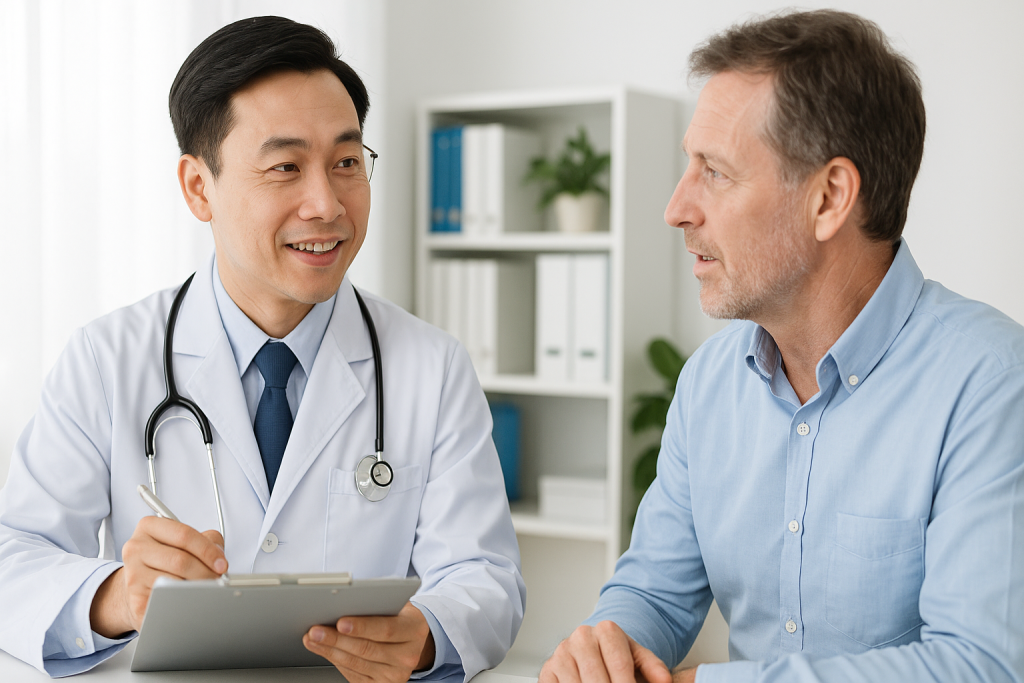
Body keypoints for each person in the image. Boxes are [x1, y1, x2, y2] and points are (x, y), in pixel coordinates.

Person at [0, 16, 524, 681]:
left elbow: (487, 576)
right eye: (285, 167)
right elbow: (13, 557)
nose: (327, 203)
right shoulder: (106, 359)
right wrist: (116, 596)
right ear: (198, 187)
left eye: (345, 162)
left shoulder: (431, 366)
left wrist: (426, 633)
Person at [541, 9, 1024, 683]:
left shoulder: (992, 382)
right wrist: (607, 650)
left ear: (828, 198)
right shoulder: (709, 382)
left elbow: (981, 666)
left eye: (714, 171)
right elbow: (654, 591)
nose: (676, 207)